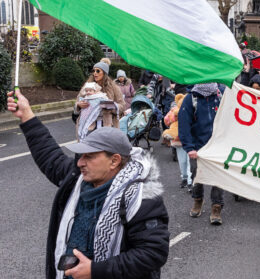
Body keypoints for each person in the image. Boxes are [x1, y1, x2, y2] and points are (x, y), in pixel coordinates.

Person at [6, 90, 169, 279]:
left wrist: (95, 271)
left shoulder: (142, 197)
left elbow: (152, 254)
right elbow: (49, 155)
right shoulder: (79, 179)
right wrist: (26, 115)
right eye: (81, 155)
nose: (80, 163)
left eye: (89, 157)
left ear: (114, 161)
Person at [180, 83, 225, 225]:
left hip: (218, 146)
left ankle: (216, 206)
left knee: (218, 177)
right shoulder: (190, 99)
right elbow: (184, 124)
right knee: (196, 175)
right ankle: (198, 199)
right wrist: (189, 147)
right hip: (198, 146)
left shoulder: (221, 95)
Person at [75, 60, 125, 132]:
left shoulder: (114, 87)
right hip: (89, 125)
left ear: (104, 73)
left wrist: (110, 106)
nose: (95, 73)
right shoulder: (88, 85)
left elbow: (122, 106)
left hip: (107, 125)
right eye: (93, 71)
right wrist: (79, 105)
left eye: (98, 71)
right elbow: (78, 101)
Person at [163, 93, 191, 190]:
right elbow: (166, 121)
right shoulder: (174, 110)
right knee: (183, 161)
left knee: (189, 161)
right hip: (179, 139)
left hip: (189, 139)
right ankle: (185, 178)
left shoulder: (191, 109)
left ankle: (190, 181)